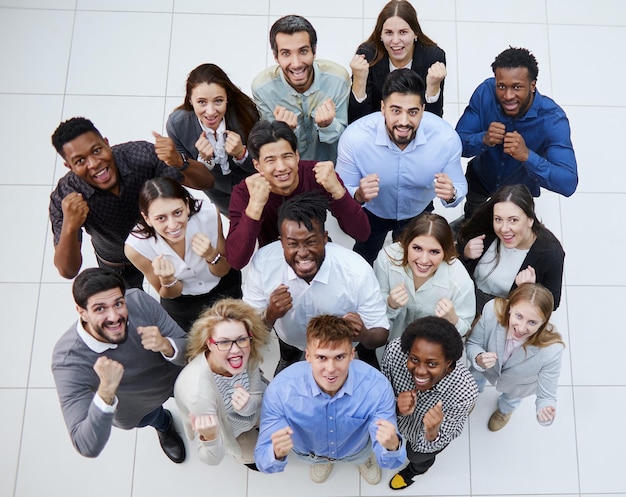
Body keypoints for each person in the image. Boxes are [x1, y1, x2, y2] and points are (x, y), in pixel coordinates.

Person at [49, 117, 214, 288]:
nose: (94, 163)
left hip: (170, 241)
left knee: (192, 288)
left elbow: (206, 183)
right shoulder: (65, 197)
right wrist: (70, 226)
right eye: (80, 161)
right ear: (69, 166)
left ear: (106, 143)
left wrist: (180, 162)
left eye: (97, 150)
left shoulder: (140, 155)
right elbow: (68, 271)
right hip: (119, 261)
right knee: (130, 305)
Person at [51, 268, 187, 463]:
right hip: (136, 407)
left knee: (198, 401)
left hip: (175, 378)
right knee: (154, 418)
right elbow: (86, 446)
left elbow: (188, 347)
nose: (114, 317)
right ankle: (165, 426)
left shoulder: (138, 301)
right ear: (82, 312)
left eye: (118, 303)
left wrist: (167, 345)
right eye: (100, 308)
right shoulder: (68, 360)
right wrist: (106, 390)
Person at [243, 192, 389, 373]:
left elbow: (381, 333)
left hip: (338, 351)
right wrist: (270, 315)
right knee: (287, 358)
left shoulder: (356, 269)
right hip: (291, 342)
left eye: (311, 242)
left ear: (325, 238)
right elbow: (248, 332)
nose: (303, 252)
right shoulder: (263, 263)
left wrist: (364, 334)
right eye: (293, 244)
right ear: (282, 243)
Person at [254, 314, 406, 484]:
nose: (331, 369)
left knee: (361, 455)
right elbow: (262, 460)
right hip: (311, 454)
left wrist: (392, 447)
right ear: (308, 356)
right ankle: (323, 461)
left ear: (351, 354)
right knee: (319, 458)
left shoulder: (377, 387)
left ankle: (362, 460)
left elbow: (393, 461)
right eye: (322, 357)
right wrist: (275, 453)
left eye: (339, 357)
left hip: (357, 449)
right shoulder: (280, 390)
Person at [336, 68, 466, 265]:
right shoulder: (355, 139)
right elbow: (341, 189)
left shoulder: (445, 138)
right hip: (373, 212)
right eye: (396, 111)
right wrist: (358, 195)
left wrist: (451, 194)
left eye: (412, 112)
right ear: (382, 108)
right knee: (364, 256)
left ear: (423, 109)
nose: (403, 122)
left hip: (418, 212)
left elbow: (459, 186)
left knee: (411, 262)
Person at [226, 120, 370, 270]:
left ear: (297, 156)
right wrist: (255, 207)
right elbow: (236, 261)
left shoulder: (318, 175)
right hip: (274, 262)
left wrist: (338, 191)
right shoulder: (245, 192)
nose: (281, 167)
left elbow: (361, 233)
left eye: (287, 156)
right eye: (270, 160)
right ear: (257, 165)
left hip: (318, 256)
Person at [455, 46, 578, 218]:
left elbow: (568, 183)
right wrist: (483, 139)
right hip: (481, 178)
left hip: (519, 193)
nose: (508, 95)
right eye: (502, 86)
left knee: (507, 237)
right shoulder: (485, 93)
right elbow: (455, 144)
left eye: (517, 87)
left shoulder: (552, 119)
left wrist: (528, 156)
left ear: (532, 85)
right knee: (471, 221)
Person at [124, 177, 241, 332]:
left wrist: (211, 255)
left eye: (177, 212)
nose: (172, 225)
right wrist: (168, 279)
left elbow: (224, 270)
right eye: (161, 218)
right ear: (147, 218)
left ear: (186, 206)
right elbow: (170, 294)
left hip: (225, 288)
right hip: (184, 304)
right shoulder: (136, 247)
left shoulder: (208, 215)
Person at [381, 316, 478, 490]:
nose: (419, 371)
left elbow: (447, 434)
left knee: (417, 456)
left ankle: (416, 470)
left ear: (448, 363)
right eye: (414, 359)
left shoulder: (465, 391)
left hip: (424, 440)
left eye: (432, 364)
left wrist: (432, 432)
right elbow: (382, 392)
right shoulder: (395, 351)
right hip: (396, 422)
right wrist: (396, 406)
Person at [174, 299, 270, 468]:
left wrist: (248, 405)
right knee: (257, 456)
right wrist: (210, 438)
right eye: (224, 342)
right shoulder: (197, 393)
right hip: (232, 430)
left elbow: (257, 394)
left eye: (241, 339)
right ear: (209, 344)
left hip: (256, 411)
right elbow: (211, 458)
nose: (235, 351)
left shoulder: (248, 351)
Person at [466, 283, 565, 431]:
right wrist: (479, 357)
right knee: (472, 382)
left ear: (543, 322)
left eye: (532, 322)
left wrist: (545, 411)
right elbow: (473, 343)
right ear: (510, 307)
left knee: (511, 400)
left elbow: (547, 396)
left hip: (518, 385)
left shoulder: (552, 350)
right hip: (484, 369)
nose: (521, 328)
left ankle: (504, 411)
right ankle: (470, 397)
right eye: (519, 316)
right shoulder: (492, 311)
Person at [251, 15, 350, 162]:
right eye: (286, 54)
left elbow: (346, 139)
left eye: (303, 51)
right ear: (276, 57)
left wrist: (327, 125)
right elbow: (270, 147)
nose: (296, 63)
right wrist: (283, 131)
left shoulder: (338, 79)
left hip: (330, 169)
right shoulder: (263, 88)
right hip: (289, 173)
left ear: (314, 51)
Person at [165, 63, 260, 216]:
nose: (210, 112)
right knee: (238, 222)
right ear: (190, 99)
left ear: (227, 98)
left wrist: (242, 154)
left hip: (254, 183)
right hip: (217, 191)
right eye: (202, 102)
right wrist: (203, 161)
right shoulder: (177, 125)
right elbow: (187, 175)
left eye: (218, 101)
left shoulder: (245, 114)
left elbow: (264, 163)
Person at [457, 184, 564, 314]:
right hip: (465, 297)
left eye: (513, 220)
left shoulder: (551, 252)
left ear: (530, 220)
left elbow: (552, 303)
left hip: (502, 314)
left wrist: (529, 290)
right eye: (498, 219)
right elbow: (453, 253)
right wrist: (465, 253)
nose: (504, 229)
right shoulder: (485, 228)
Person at [373, 213, 475, 340]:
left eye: (434, 252)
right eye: (417, 248)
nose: (424, 260)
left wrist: (453, 320)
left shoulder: (460, 281)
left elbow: (465, 327)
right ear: (406, 244)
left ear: (445, 251)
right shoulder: (387, 258)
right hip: (389, 346)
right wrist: (390, 304)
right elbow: (372, 307)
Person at [349, 0, 446, 123]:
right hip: (377, 129)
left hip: (416, 129)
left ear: (415, 33)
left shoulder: (432, 57)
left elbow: (434, 123)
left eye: (403, 32)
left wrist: (433, 88)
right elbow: (357, 122)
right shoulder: (368, 56)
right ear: (381, 35)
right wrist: (359, 81)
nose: (395, 41)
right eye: (389, 33)